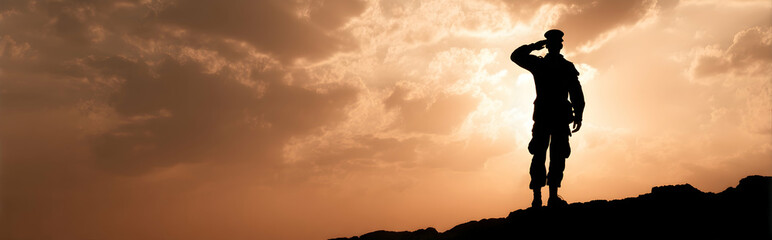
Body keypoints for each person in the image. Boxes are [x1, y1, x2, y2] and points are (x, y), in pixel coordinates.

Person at [511, 29, 585, 208]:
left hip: (551, 116)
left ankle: (546, 197)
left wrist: (534, 46)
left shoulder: (543, 65)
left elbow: (576, 93)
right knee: (545, 155)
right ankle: (543, 197)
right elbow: (577, 94)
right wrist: (578, 115)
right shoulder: (554, 65)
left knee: (551, 155)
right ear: (558, 46)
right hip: (552, 117)